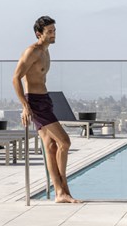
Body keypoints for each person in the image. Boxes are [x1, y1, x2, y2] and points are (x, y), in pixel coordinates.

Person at [13, 15, 80, 203]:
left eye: (54, 31)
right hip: (35, 102)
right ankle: (63, 188)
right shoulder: (32, 52)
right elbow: (16, 78)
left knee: (50, 146)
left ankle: (60, 192)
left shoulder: (46, 51)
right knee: (64, 142)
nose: (53, 34)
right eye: (49, 32)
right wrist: (25, 107)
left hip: (44, 99)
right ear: (38, 34)